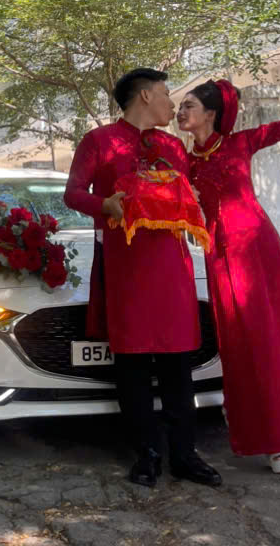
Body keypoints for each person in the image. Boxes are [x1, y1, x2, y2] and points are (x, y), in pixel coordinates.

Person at [178, 79, 280, 474]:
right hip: (218, 252)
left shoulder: (241, 142)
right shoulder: (186, 161)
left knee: (269, 335)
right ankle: (253, 426)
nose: (181, 113)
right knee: (237, 340)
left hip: (255, 246)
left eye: (188, 105)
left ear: (210, 113)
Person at [64, 67, 221, 488]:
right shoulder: (99, 141)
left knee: (177, 365)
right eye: (168, 95)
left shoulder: (174, 145)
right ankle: (146, 455)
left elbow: (199, 192)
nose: (173, 103)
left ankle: (185, 454)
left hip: (173, 269)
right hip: (126, 269)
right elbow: (73, 193)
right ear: (147, 95)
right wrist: (106, 206)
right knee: (132, 366)